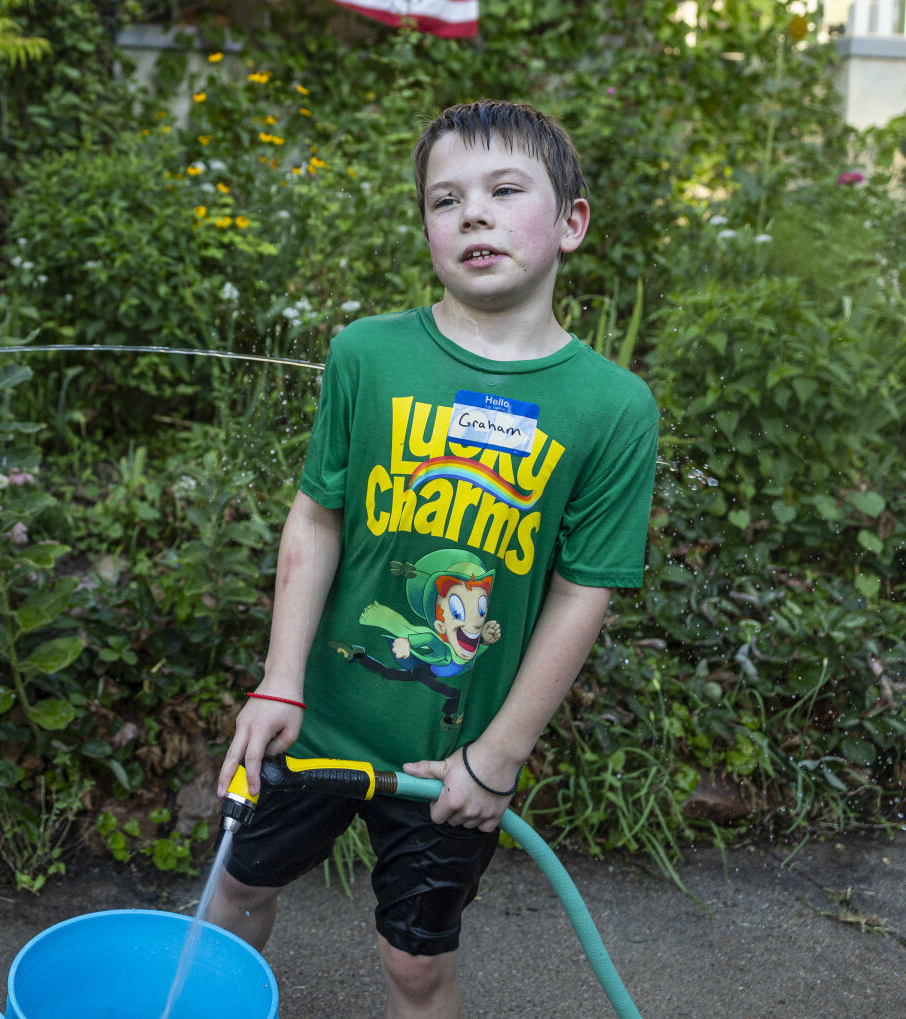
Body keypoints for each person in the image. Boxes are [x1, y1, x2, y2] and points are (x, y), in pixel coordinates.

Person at [210, 101, 659, 1019]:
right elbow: (315, 520)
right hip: (318, 720)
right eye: (444, 199)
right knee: (233, 893)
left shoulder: (613, 406)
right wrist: (280, 681)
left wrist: (500, 753)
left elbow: (583, 589)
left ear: (571, 222)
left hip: (454, 754)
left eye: (503, 190)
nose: (473, 214)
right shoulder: (367, 353)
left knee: (414, 963)